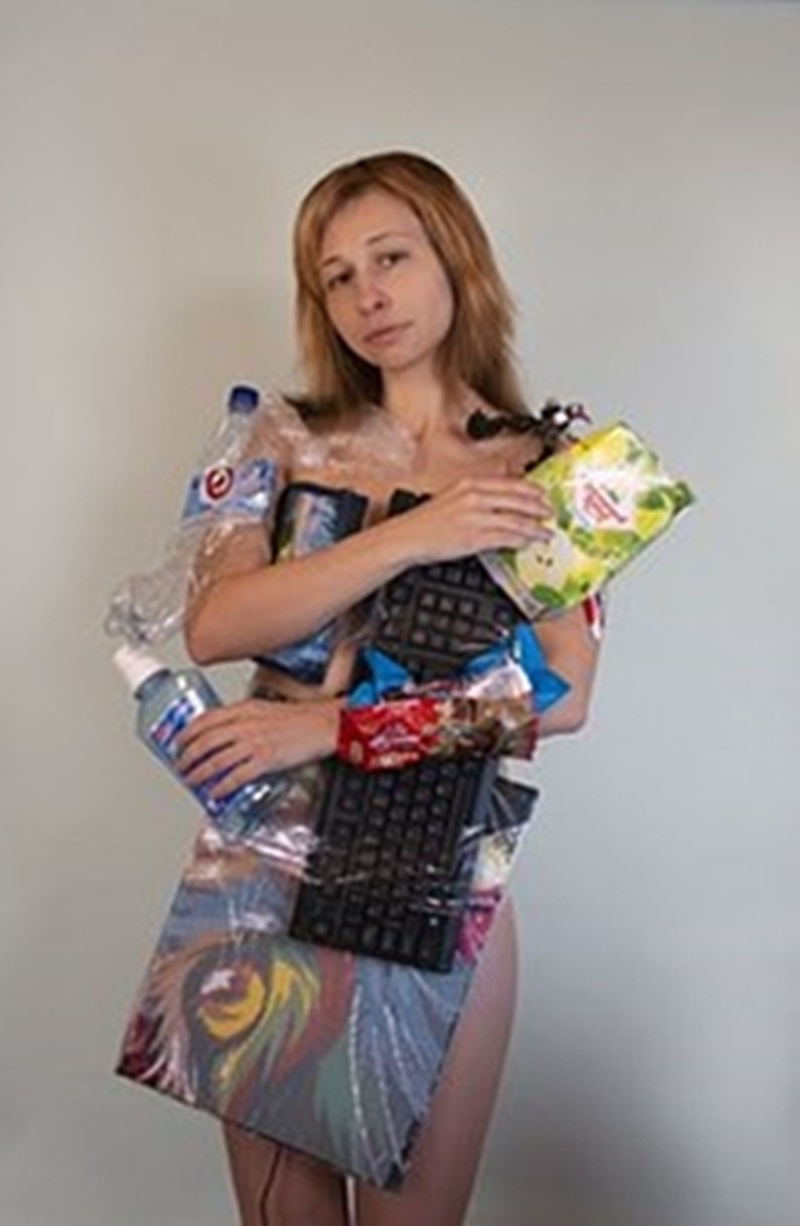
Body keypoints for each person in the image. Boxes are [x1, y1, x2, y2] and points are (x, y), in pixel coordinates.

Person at [175, 151, 600, 1226]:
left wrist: (333, 724)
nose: (369, 294)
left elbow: (560, 697)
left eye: (392, 257)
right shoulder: (279, 439)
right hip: (265, 854)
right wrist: (416, 532)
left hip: (439, 858)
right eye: (337, 276)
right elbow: (218, 623)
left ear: (454, 258)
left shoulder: (551, 465)